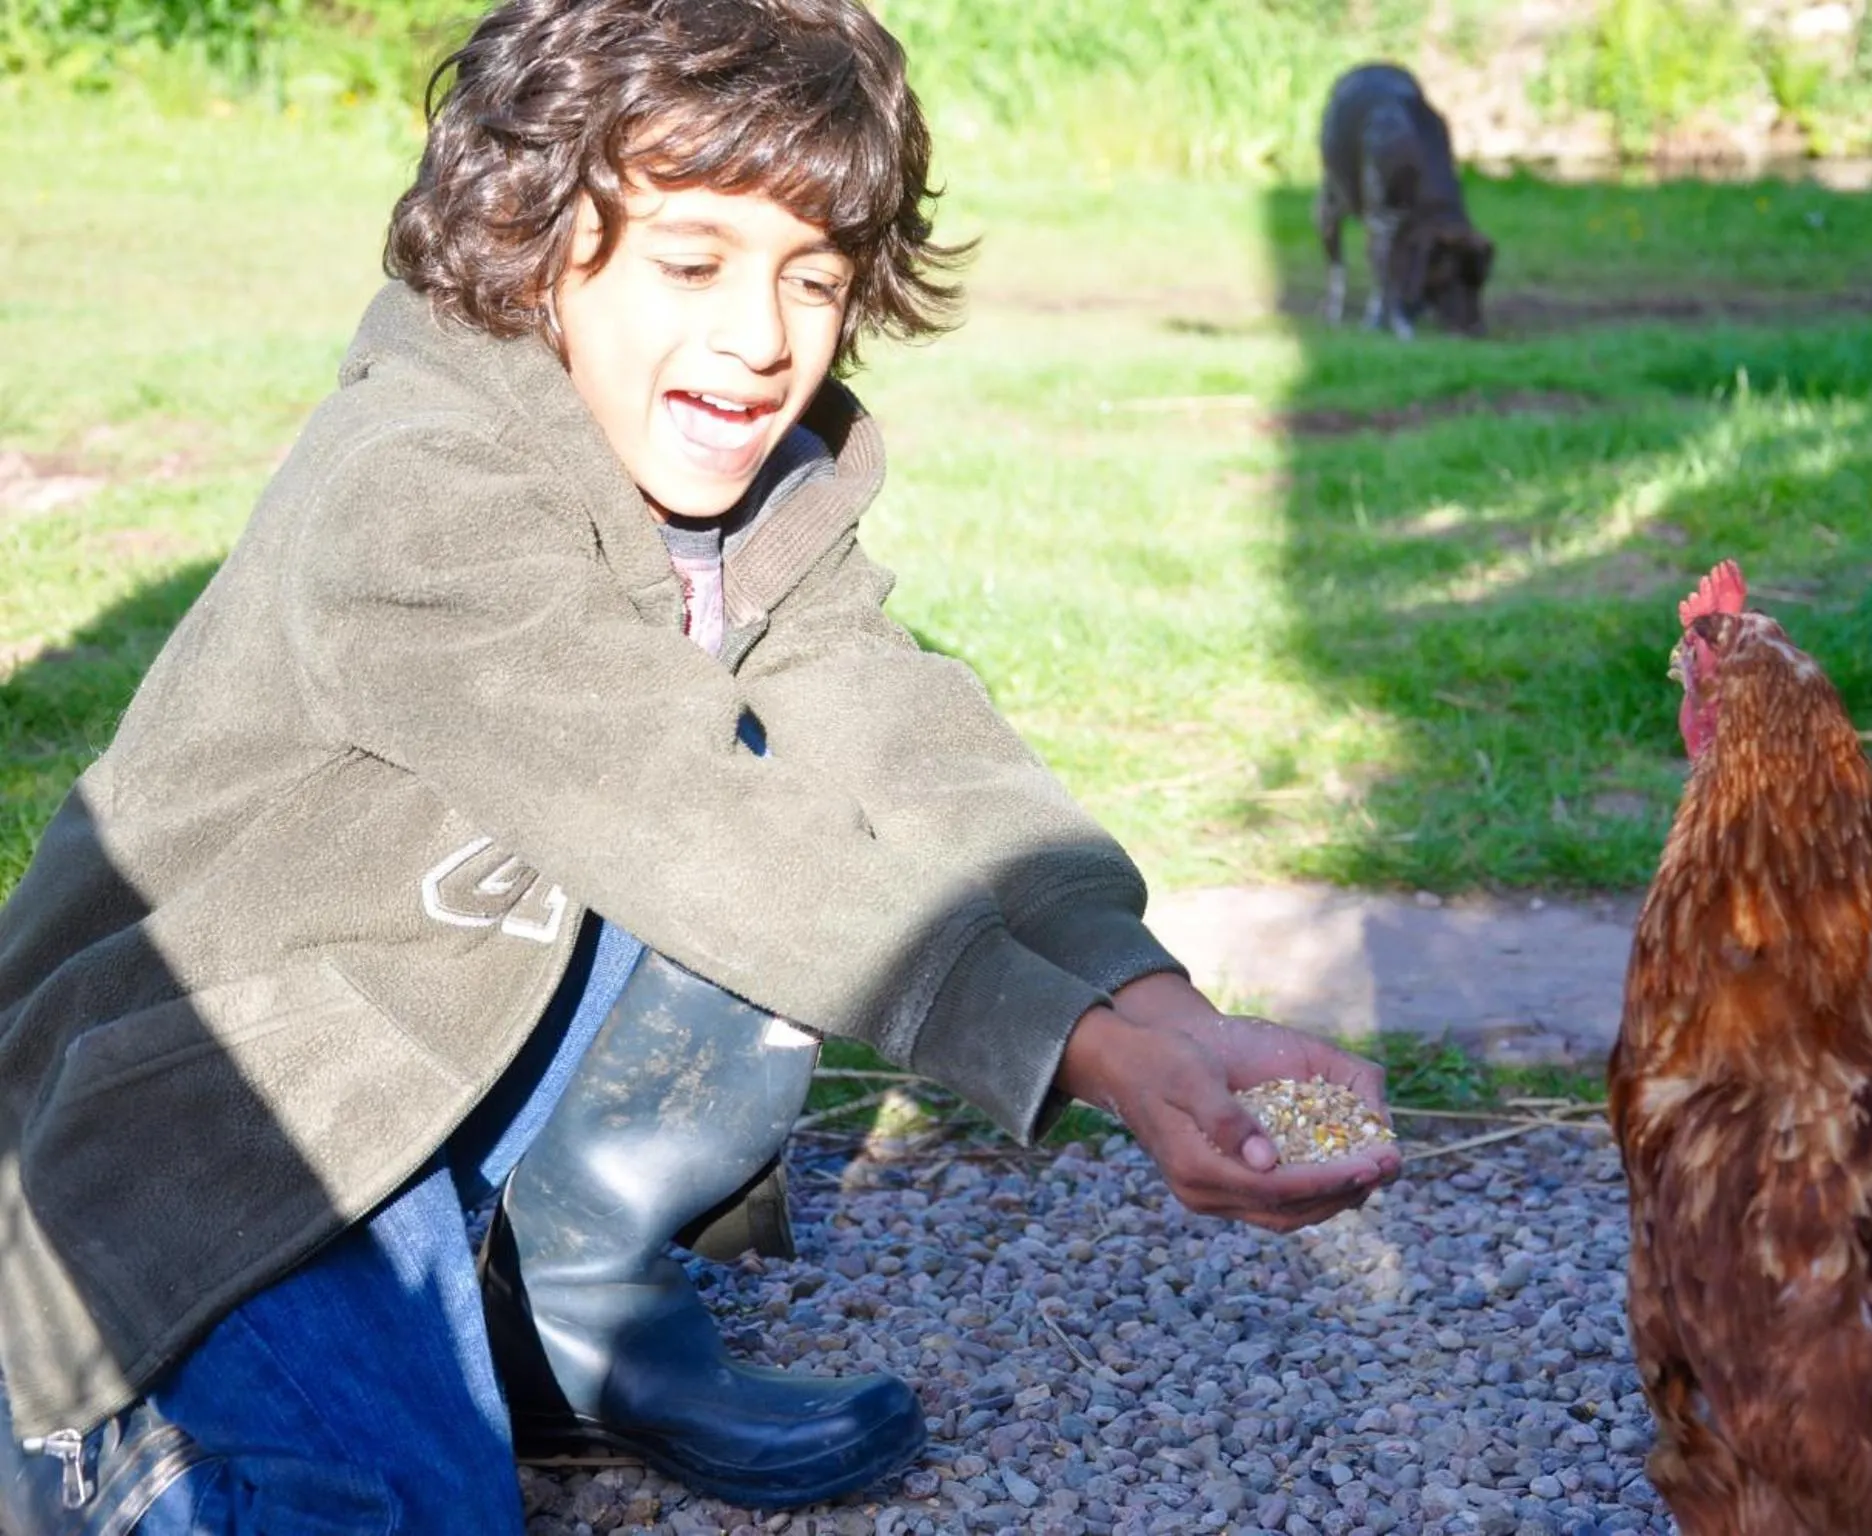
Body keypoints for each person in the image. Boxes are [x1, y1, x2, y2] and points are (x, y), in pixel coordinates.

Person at [0, 0, 1402, 1529]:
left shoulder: (738, 497)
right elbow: (690, 822)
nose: (763, 337)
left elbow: (904, 743)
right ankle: (81, 1418)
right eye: (693, 264)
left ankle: (559, 1306)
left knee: (787, 772)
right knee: (380, 1505)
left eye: (816, 276)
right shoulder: (413, 489)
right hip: (202, 1136)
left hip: (414, 1079)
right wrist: (1087, 1056)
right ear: (533, 237)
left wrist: (1150, 1005)